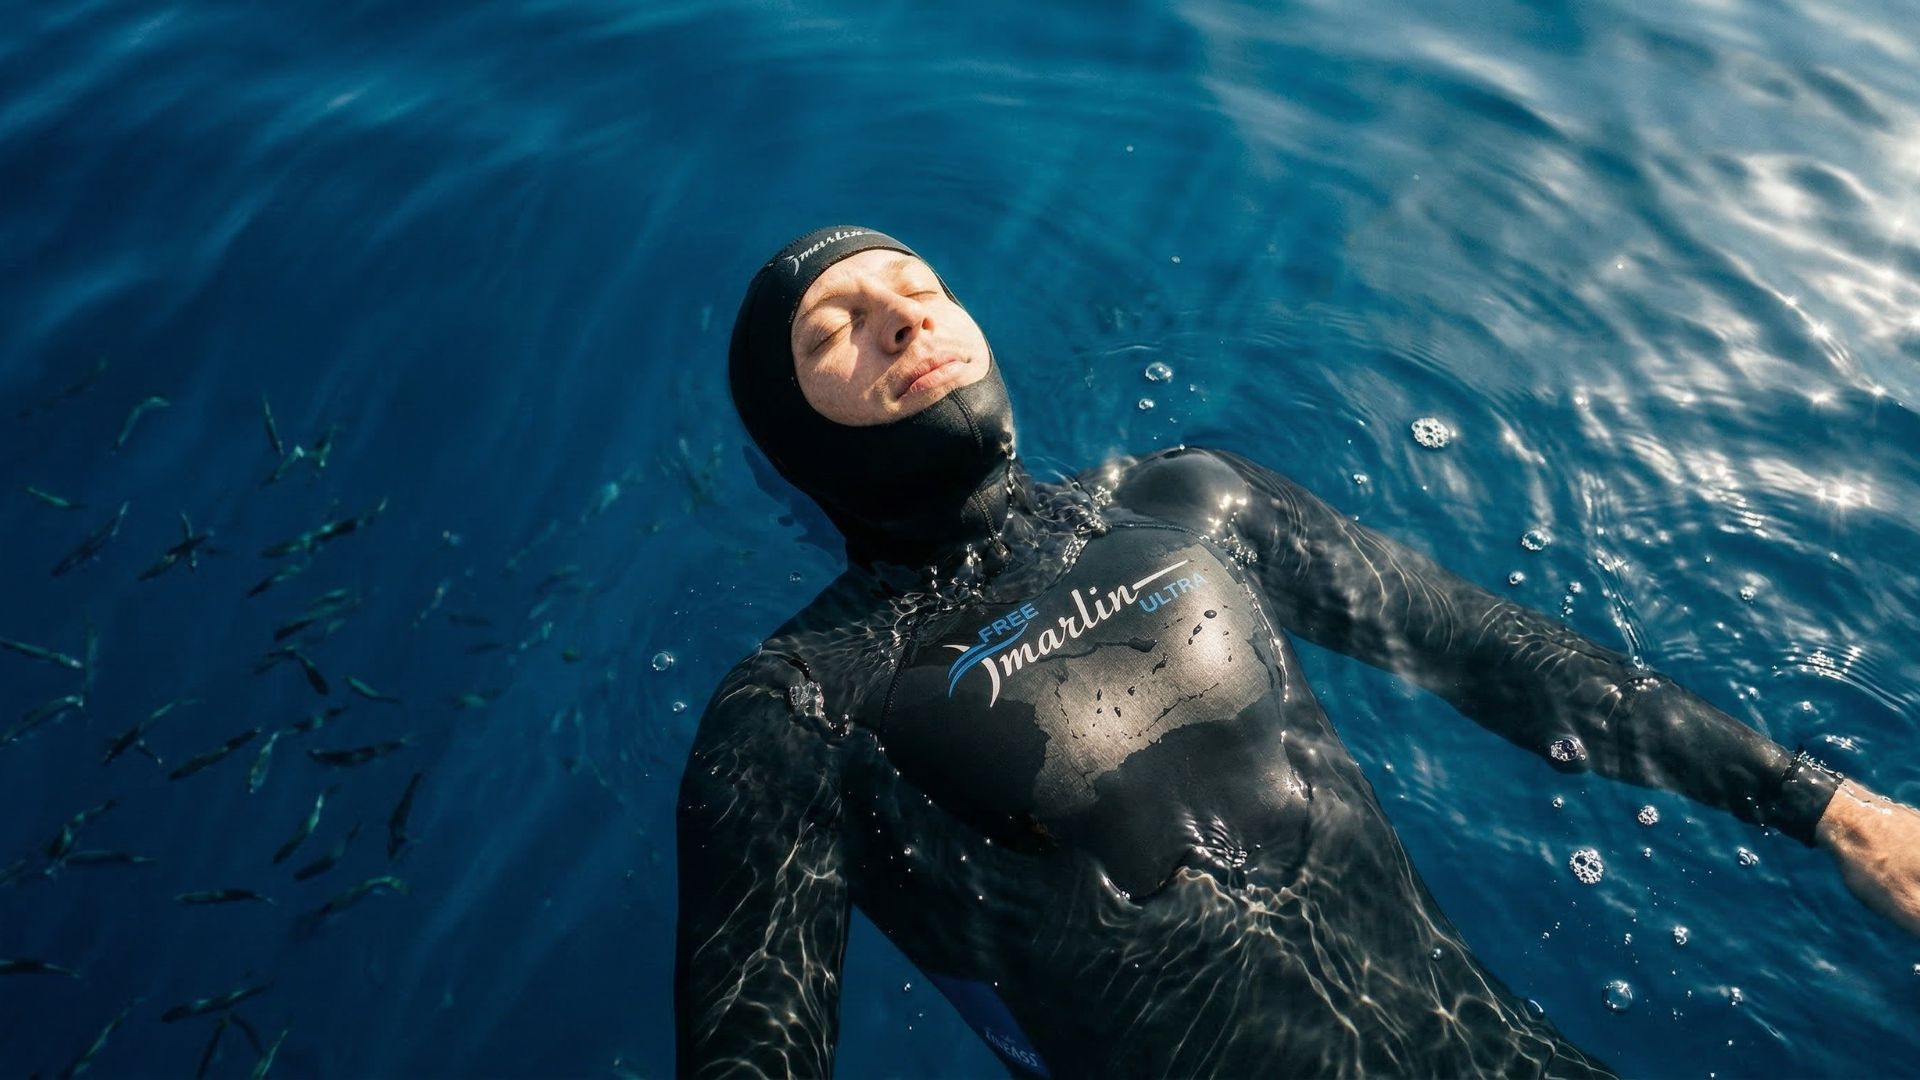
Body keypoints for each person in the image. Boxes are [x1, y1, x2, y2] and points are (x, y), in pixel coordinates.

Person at [674, 225, 1920, 1079]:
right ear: (796, 431)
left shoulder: (1185, 501)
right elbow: (752, 1043)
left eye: (920, 286)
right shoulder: (803, 709)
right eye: (837, 326)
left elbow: (1504, 656)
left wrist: (1835, 809)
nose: (902, 317)